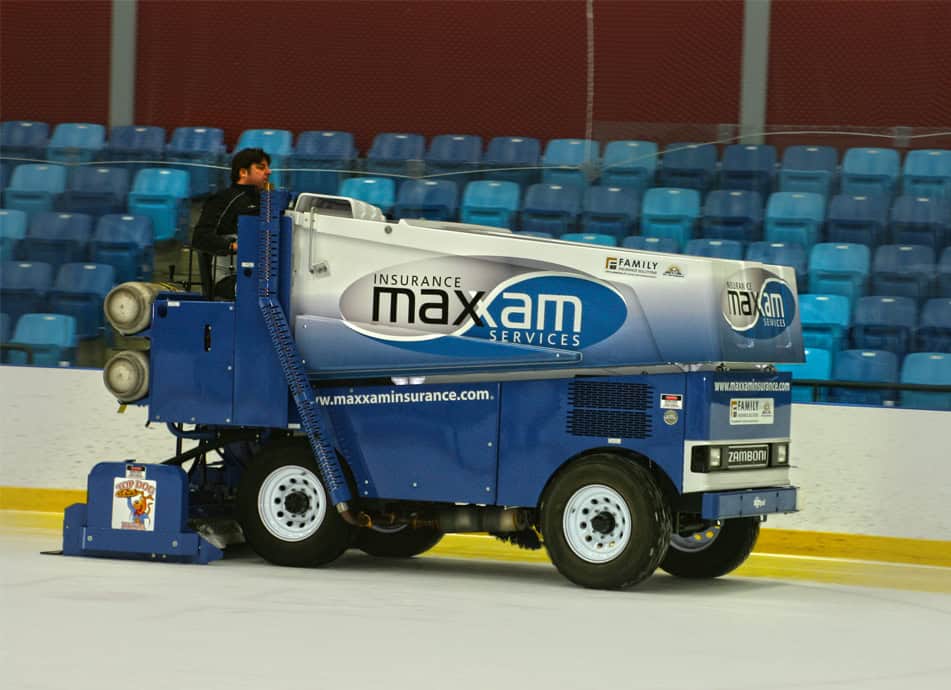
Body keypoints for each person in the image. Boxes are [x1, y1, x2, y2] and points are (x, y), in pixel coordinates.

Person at [191, 147, 272, 297]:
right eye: (261, 168)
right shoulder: (223, 199)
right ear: (243, 172)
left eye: (268, 167)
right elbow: (200, 238)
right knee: (262, 290)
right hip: (229, 278)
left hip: (262, 274)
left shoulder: (267, 201)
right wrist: (235, 246)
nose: (269, 172)